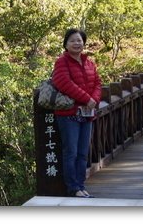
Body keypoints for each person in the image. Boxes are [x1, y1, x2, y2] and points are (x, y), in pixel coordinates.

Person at [52, 28, 102, 198]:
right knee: (71, 151)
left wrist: (93, 100)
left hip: (87, 113)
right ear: (66, 44)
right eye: (72, 40)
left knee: (82, 152)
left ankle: (81, 186)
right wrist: (86, 99)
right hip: (69, 114)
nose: (77, 43)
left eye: (79, 40)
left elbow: (97, 82)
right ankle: (73, 188)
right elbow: (63, 83)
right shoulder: (61, 62)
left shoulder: (89, 63)